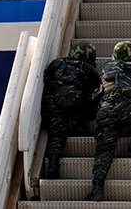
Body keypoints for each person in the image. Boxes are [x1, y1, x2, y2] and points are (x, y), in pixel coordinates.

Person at [85, 41, 131, 202]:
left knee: (103, 150)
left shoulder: (106, 69)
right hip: (127, 109)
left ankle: (97, 188)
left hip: (105, 110)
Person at [41, 41, 101, 179]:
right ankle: (76, 123)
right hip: (74, 104)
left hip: (51, 104)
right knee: (92, 97)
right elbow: (96, 90)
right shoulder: (88, 69)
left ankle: (53, 165)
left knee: (57, 134)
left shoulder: (55, 64)